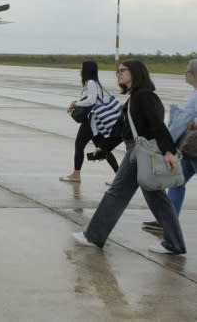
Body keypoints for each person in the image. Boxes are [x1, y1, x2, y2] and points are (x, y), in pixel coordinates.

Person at [73, 60, 186, 255]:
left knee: (117, 194)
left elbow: (157, 125)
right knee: (157, 198)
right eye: (118, 71)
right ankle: (174, 243)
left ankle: (94, 236)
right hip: (137, 150)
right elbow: (124, 130)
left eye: (122, 71)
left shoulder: (144, 96)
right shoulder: (135, 97)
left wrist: (169, 151)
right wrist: (104, 147)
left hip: (140, 152)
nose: (118, 74)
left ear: (135, 73)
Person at [142, 59, 197, 231]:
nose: (185, 74)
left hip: (194, 147)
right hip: (189, 148)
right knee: (176, 182)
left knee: (176, 181)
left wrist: (193, 122)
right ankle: (168, 221)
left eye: (187, 71)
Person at [60, 61, 119, 183]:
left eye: (81, 68)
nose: (79, 70)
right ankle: (119, 177)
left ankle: (76, 175)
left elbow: (91, 101)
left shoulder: (91, 83)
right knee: (102, 147)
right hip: (94, 122)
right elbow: (89, 99)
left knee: (79, 145)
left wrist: (76, 103)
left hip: (91, 121)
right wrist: (77, 102)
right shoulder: (92, 83)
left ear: (87, 70)